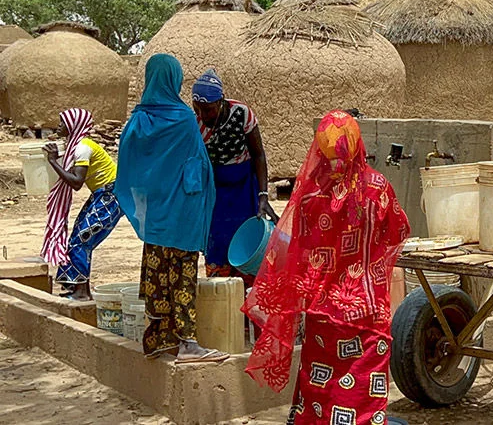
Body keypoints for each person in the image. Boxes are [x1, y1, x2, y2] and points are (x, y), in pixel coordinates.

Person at [242, 110, 410, 425]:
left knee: (322, 390)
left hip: (321, 314)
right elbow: (397, 232)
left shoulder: (309, 197)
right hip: (366, 314)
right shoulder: (378, 189)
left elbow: (298, 252)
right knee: (360, 394)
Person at [115, 54, 228, 364]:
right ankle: (188, 343)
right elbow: (197, 167)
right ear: (174, 79)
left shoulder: (138, 120)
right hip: (183, 214)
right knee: (182, 276)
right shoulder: (182, 118)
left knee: (157, 274)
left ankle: (158, 338)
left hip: (155, 218)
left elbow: (128, 164)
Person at [191, 69, 277, 285]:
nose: (204, 115)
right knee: (217, 243)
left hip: (244, 188)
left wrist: (263, 195)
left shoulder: (242, 113)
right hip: (216, 191)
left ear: (220, 102)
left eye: (208, 110)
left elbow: (258, 154)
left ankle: (247, 296)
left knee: (248, 240)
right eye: (198, 109)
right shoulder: (196, 124)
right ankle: (221, 296)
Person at [41, 108, 122, 301]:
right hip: (102, 195)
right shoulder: (77, 146)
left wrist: (52, 161)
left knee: (82, 240)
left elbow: (77, 182)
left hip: (111, 196)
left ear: (72, 126)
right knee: (78, 237)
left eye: (62, 123)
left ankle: (82, 292)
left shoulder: (83, 147)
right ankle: (77, 286)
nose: (59, 126)